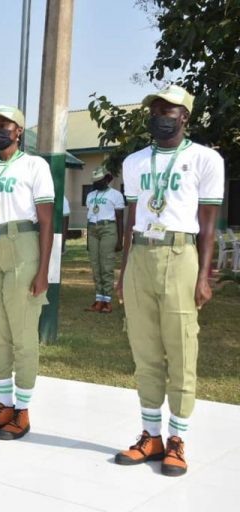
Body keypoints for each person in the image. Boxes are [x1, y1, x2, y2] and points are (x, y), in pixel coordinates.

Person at [114, 85, 223, 477]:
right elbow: (130, 221)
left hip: (181, 255)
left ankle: (177, 439)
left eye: (169, 109)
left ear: (185, 117)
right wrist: (124, 270)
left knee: (180, 350)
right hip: (141, 252)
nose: (160, 114)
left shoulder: (205, 159)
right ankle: (151, 435)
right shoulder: (134, 162)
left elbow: (208, 226)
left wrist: (205, 276)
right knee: (144, 351)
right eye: (156, 108)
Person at [0, 105, 54, 440]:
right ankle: (3, 405)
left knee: (22, 334)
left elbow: (46, 221)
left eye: (4, 124)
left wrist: (44, 270)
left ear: (18, 130)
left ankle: (22, 410)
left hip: (22, 247)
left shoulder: (35, 166)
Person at [84, 168, 124, 313]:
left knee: (106, 266)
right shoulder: (90, 195)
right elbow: (88, 217)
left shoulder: (116, 195)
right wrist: (88, 239)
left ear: (107, 179)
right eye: (94, 182)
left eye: (99, 181)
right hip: (93, 229)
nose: (96, 184)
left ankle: (107, 301)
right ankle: (98, 300)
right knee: (95, 266)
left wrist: (120, 240)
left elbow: (120, 218)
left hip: (108, 229)